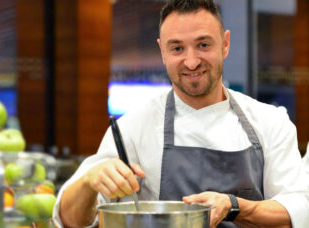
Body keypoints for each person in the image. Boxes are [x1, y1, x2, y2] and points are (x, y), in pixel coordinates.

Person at [53, 0, 309, 227]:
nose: (191, 61)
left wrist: (234, 206)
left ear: (226, 44)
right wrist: (88, 183)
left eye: (203, 44)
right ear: (162, 51)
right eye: (177, 49)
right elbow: (68, 221)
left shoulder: (270, 122)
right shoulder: (131, 128)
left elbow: (298, 211)